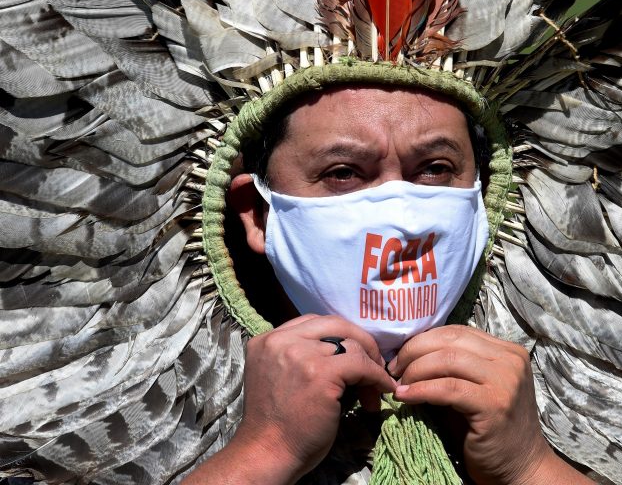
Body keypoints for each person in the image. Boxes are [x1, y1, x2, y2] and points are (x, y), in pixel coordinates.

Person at [182, 85, 596, 484]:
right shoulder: (181, 395)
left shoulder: (548, 385)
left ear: (481, 200)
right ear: (258, 214)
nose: (403, 217)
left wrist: (530, 467)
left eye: (435, 168)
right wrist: (266, 452)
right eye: (343, 172)